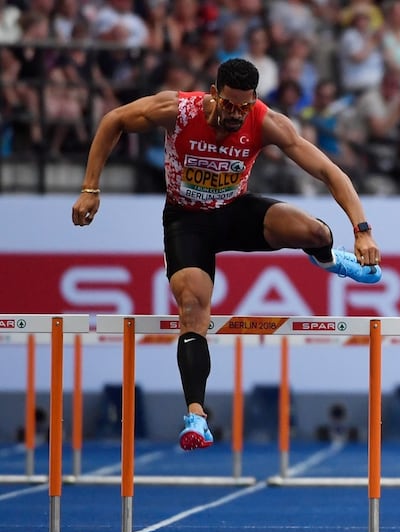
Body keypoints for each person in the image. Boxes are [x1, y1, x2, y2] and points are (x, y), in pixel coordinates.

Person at [70, 58, 382, 451]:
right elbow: (114, 119)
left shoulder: (266, 121)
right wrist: (90, 188)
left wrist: (363, 231)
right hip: (188, 222)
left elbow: (330, 172)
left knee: (314, 230)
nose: (236, 114)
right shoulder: (179, 111)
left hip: (235, 212)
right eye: (230, 105)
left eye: (245, 106)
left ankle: (329, 260)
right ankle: (196, 416)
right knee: (193, 308)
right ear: (214, 94)